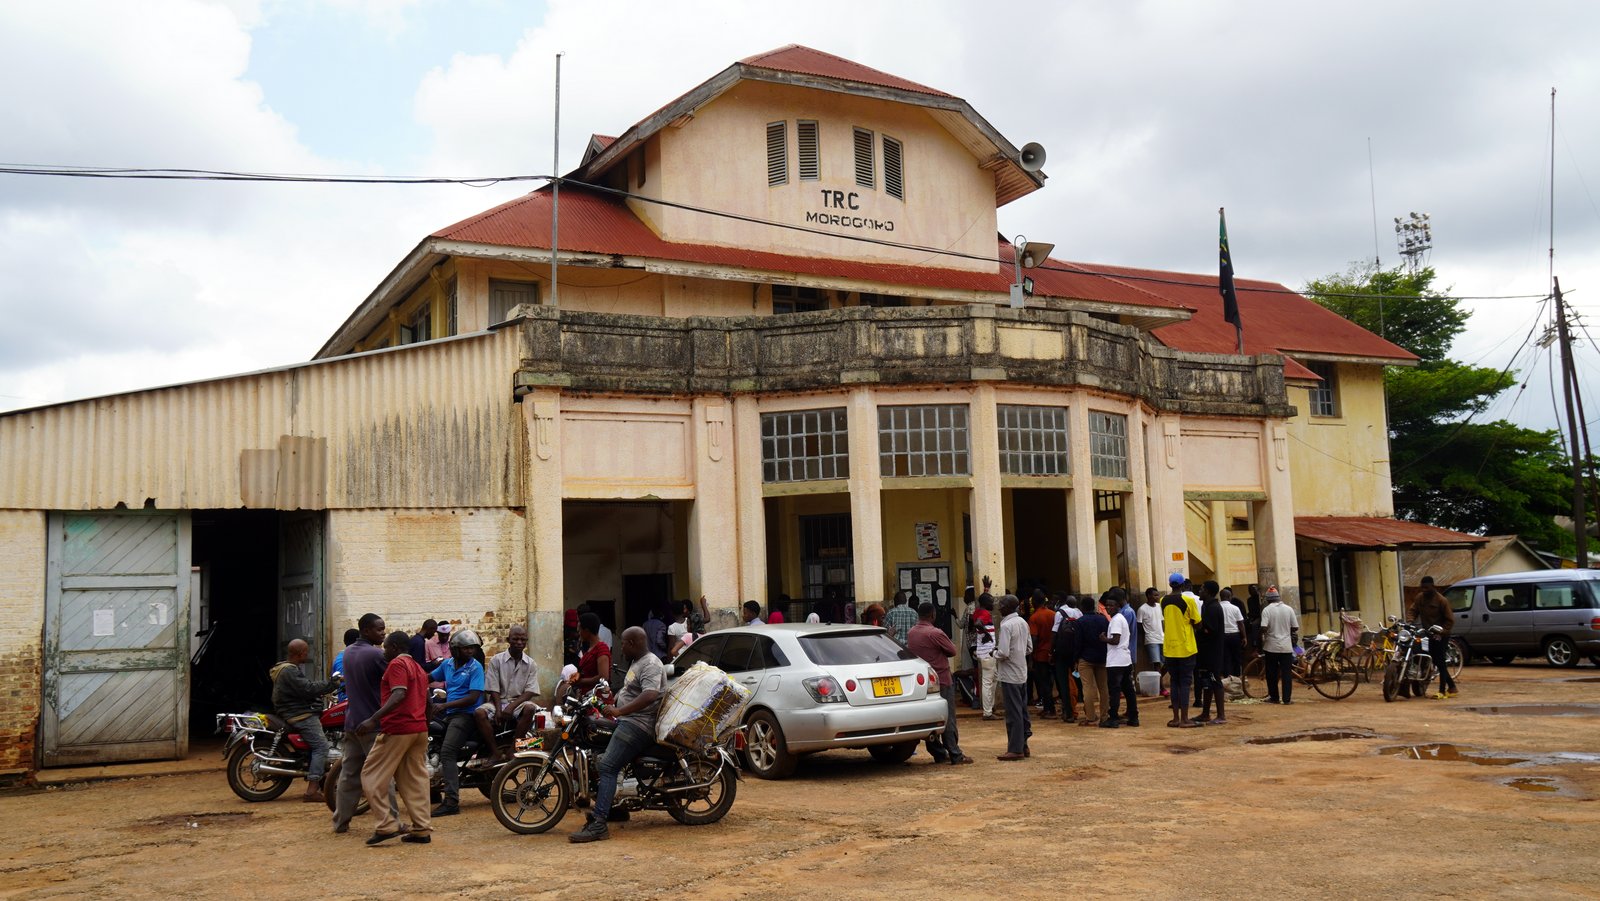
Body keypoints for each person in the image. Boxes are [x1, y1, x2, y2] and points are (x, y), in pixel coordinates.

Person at [569, 627, 667, 843]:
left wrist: (620, 711)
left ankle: (599, 825)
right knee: (598, 749)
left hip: (639, 724)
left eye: (623, 643)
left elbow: (650, 694)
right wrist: (611, 701)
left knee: (608, 766)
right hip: (628, 720)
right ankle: (615, 808)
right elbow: (631, 690)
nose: (621, 648)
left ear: (632, 643)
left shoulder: (650, 664)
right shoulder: (637, 662)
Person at [354, 631, 432, 845]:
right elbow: (428, 702)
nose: (383, 651)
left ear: (395, 647)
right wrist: (424, 724)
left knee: (371, 775)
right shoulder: (418, 667)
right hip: (418, 729)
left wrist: (373, 719)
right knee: (414, 781)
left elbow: (399, 694)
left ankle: (387, 825)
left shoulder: (397, 664)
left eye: (386, 647)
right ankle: (421, 829)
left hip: (398, 729)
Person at [332, 613, 397, 833]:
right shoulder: (376, 654)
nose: (383, 633)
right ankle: (392, 821)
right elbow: (394, 680)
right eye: (379, 629)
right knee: (382, 775)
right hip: (372, 722)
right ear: (366, 630)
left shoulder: (348, 652)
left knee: (349, 774)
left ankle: (340, 821)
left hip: (352, 721)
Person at [269, 638, 341, 802]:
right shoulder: (289, 671)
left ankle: (324, 780)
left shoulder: (285, 668)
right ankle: (311, 791)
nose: (307, 655)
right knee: (321, 746)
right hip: (299, 714)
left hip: (293, 711)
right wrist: (331, 685)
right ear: (301, 653)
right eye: (306, 652)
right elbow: (308, 688)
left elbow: (304, 688)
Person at [907, 602, 973, 765]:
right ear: (933, 615)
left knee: (930, 718)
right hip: (941, 679)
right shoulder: (935, 633)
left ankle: (938, 752)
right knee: (948, 718)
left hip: (923, 682)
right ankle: (955, 753)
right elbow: (952, 651)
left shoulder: (912, 632)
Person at [428, 629, 485, 817]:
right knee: (433, 742)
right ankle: (432, 792)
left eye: (472, 648)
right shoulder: (447, 664)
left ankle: (451, 802)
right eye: (466, 648)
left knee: (447, 752)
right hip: (450, 713)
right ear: (454, 649)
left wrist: (444, 705)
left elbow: (473, 697)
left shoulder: (475, 667)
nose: (470, 651)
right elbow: (429, 678)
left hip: (465, 715)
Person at [476, 624, 539, 755]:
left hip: (519, 703)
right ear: (508, 640)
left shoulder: (531, 664)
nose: (519, 642)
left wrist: (511, 706)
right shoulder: (496, 660)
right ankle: (495, 752)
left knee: (530, 708)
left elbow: (530, 691)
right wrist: (499, 709)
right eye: (515, 639)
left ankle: (513, 749)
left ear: (526, 641)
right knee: (479, 713)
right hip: (497, 702)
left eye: (523, 640)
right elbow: (493, 687)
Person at [992, 595, 1032, 761]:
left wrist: (993, 653)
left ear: (1009, 607)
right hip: (1021, 672)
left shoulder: (1006, 625)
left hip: (1009, 675)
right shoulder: (1023, 622)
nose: (999, 608)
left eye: (1001, 605)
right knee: (1022, 710)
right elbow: (1029, 648)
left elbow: (1003, 652)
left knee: (1013, 712)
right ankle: (1023, 744)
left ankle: (1015, 749)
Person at [1161, 574, 1202, 728]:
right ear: (1183, 584)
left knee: (1174, 682)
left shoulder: (1163, 600)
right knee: (1185, 683)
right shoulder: (1188, 600)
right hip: (1186, 647)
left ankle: (1176, 718)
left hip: (1170, 648)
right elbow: (1198, 623)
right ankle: (1185, 719)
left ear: (1170, 584)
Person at [1410, 575, 1458, 699]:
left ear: (1433, 586)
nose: (1424, 590)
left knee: (1440, 661)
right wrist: (1410, 622)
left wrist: (1441, 631)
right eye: (1422, 588)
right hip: (1428, 633)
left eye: (1426, 587)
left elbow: (1450, 620)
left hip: (1441, 635)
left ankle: (1442, 691)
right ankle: (1452, 687)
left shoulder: (1441, 600)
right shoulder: (1420, 598)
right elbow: (1413, 611)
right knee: (1432, 659)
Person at [1193, 581, 1227, 725]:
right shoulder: (1206, 606)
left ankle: (1221, 715)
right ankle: (1205, 713)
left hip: (1212, 652)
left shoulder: (1213, 608)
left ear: (1207, 591)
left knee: (1214, 681)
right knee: (1206, 682)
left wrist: (1198, 626)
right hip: (1205, 652)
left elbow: (1210, 630)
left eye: (1201, 589)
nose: (1199, 591)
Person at [1259, 586, 1300, 704]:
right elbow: (1295, 627)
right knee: (1286, 673)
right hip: (1286, 646)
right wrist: (1285, 630)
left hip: (1271, 646)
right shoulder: (1289, 609)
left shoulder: (1267, 610)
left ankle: (1274, 697)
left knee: (1271, 673)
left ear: (1268, 599)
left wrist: (1261, 634)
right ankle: (1287, 699)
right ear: (1278, 598)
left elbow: (1263, 627)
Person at [1074, 596, 1110, 728]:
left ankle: (1090, 717)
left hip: (1086, 658)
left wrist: (1076, 658)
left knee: (1087, 688)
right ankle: (1104, 716)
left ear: (1082, 607)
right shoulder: (1103, 619)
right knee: (1103, 688)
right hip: (1102, 657)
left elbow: (1077, 642)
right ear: (1094, 606)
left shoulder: (1080, 622)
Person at [1107, 589, 1140, 727]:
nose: (1108, 608)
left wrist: (1104, 639)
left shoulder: (1116, 619)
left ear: (1118, 605)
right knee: (1128, 689)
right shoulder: (1121, 617)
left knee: (1115, 690)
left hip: (1116, 660)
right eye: (1107, 606)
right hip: (1125, 659)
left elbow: (1115, 640)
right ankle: (1133, 717)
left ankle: (1113, 718)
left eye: (1111, 605)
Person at [1027, 590, 1057, 715]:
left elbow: (1034, 638)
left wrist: (1030, 658)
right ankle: (1051, 708)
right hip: (1053, 653)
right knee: (1052, 681)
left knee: (1043, 683)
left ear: (1033, 602)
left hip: (1040, 655)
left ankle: (1049, 709)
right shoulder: (1053, 614)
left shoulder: (1034, 617)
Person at [969, 593, 998, 720]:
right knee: (987, 682)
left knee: (994, 678)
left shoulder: (978, 611)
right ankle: (987, 712)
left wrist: (986, 589)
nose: (993, 604)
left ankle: (990, 706)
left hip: (983, 651)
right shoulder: (985, 613)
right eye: (991, 601)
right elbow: (978, 623)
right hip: (988, 653)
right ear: (986, 603)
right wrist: (987, 634)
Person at [573, 612, 612, 694]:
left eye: (580, 630)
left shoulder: (601, 649)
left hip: (597, 697)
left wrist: (580, 681)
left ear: (587, 631)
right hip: (587, 695)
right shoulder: (590, 649)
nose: (578, 633)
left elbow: (603, 677)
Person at [1137, 588, 1165, 688]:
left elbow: (1161, 621)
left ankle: (1155, 680)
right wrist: (1146, 635)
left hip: (1162, 638)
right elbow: (1139, 625)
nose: (1157, 597)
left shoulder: (1159, 607)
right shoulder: (1142, 609)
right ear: (1148, 596)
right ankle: (1161, 687)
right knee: (1157, 663)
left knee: (1168, 662)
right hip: (1151, 639)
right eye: (1155, 595)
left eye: (1158, 595)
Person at [1219, 587, 1246, 678]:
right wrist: (1244, 637)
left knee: (1226, 658)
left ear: (1221, 597)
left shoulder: (1217, 607)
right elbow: (1240, 624)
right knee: (1236, 658)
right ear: (1230, 597)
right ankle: (1237, 677)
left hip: (1222, 636)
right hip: (1235, 636)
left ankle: (1227, 678)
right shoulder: (1235, 608)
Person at [332, 628, 359, 702]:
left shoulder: (338, 658)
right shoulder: (360, 657)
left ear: (344, 641)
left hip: (343, 701)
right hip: (352, 701)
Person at [1245, 584, 1264, 650]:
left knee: (1254, 624)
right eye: (1251, 590)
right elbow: (1251, 610)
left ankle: (1255, 642)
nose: (1252, 591)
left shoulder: (1260, 598)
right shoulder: (1249, 600)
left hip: (1260, 616)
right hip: (1253, 616)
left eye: (1254, 589)